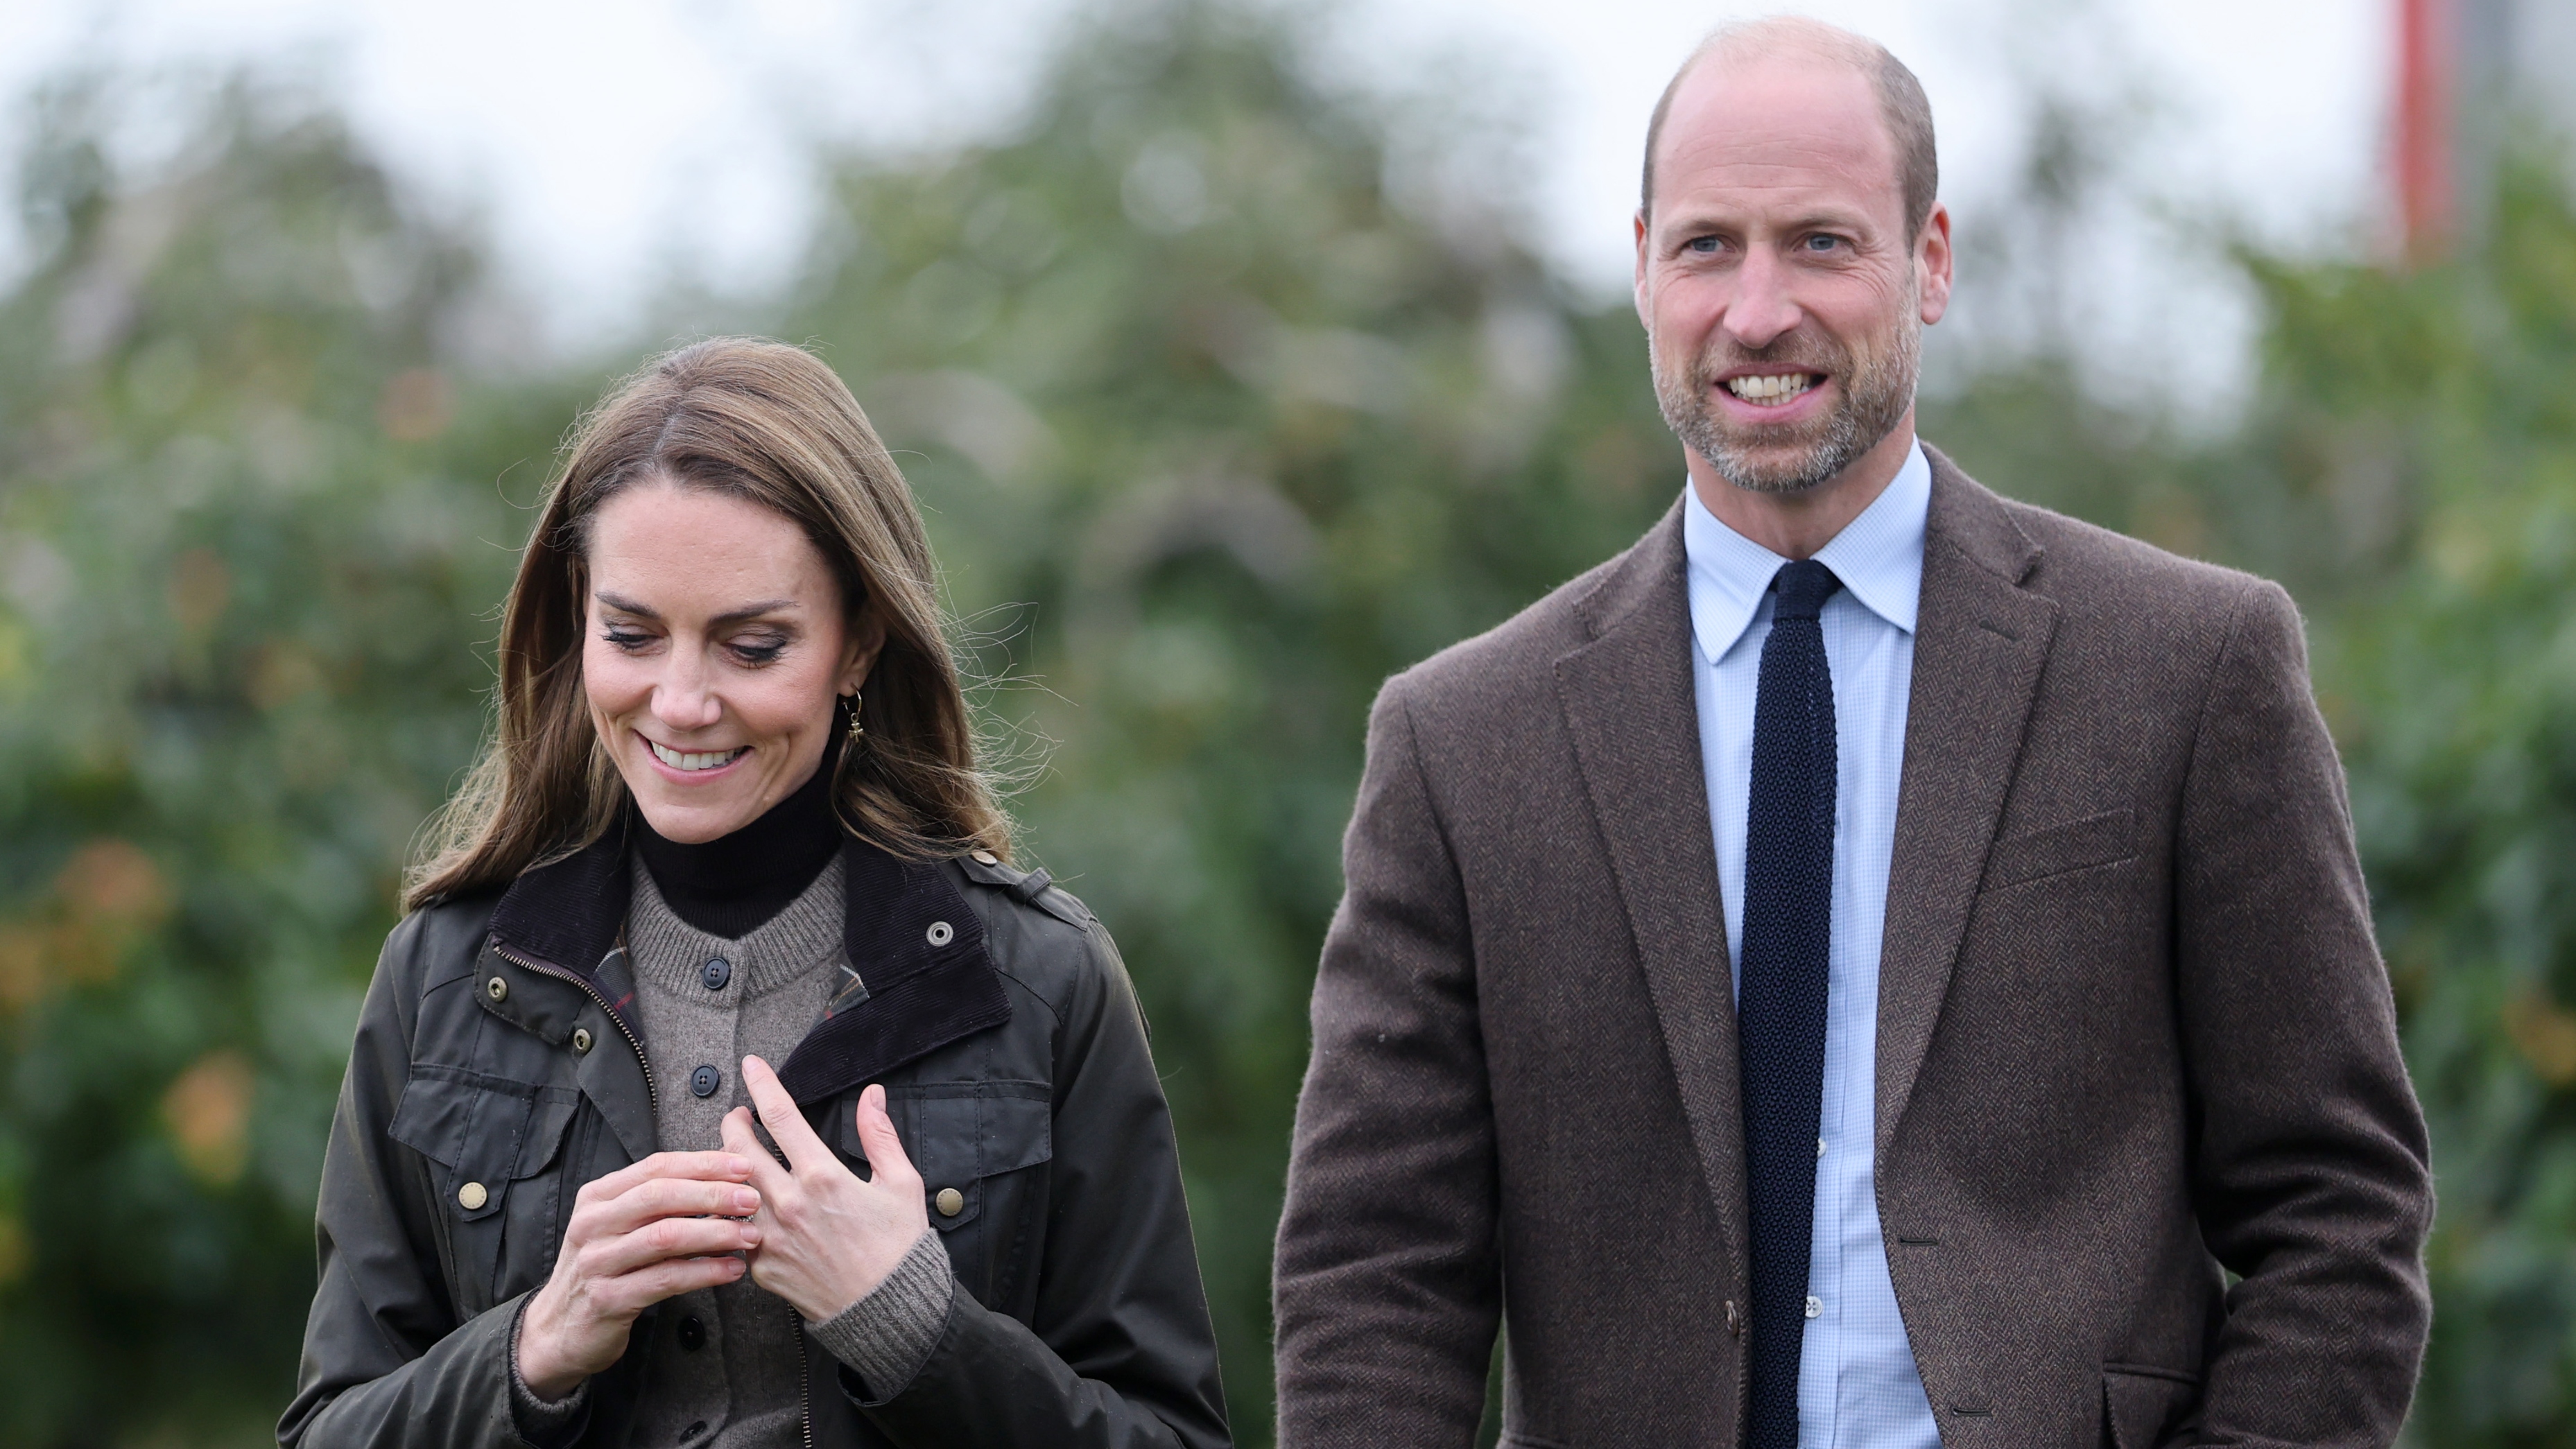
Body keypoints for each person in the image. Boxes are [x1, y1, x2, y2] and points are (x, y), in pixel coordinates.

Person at [1272, 18, 2432, 1449]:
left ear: (1929, 260)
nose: (1758, 312)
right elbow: (1373, 1274)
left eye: (1820, 243)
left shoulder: (2187, 667)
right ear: (1640, 268)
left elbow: (2338, 1210)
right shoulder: (1462, 745)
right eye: (1707, 247)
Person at [279, 338, 1229, 1449]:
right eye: (632, 634)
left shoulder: (1039, 983)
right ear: (578, 615)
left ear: (860, 641)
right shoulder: (445, 978)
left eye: (753, 645)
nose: (682, 701)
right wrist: (534, 1346)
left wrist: (916, 1330)